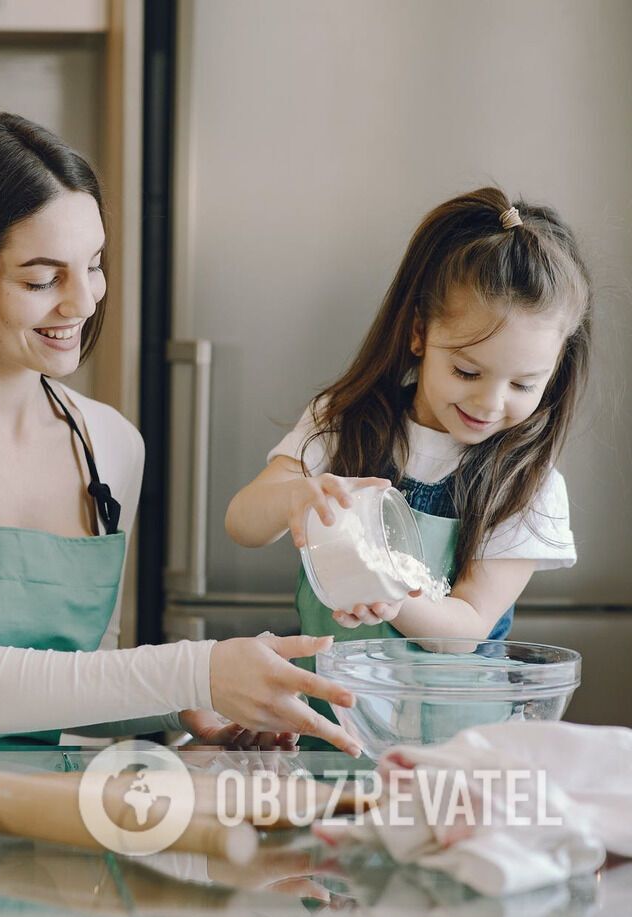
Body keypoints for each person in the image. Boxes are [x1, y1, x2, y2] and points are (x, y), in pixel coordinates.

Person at [0, 113, 364, 755]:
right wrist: (199, 669)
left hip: (17, 801)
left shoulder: (110, 446)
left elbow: (67, 687)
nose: (83, 303)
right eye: (43, 279)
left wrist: (192, 705)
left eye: (94, 266)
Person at [225, 188, 587, 741]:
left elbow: (463, 631)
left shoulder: (528, 484)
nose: (490, 402)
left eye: (523, 384)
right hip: (330, 731)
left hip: (452, 751)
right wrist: (292, 497)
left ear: (556, 367)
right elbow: (243, 523)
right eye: (467, 372)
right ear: (420, 333)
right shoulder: (344, 424)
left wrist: (388, 590)